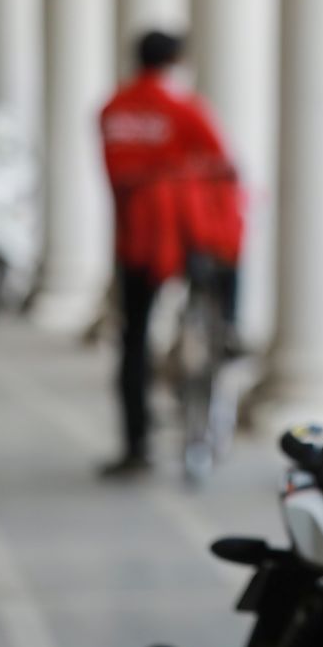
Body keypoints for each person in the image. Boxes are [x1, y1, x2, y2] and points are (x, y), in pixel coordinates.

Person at [98, 31, 242, 478]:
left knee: (134, 338)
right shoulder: (184, 109)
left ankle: (135, 444)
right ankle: (232, 326)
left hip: (136, 240)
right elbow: (225, 168)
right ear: (176, 61)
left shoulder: (112, 109)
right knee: (231, 247)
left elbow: (114, 175)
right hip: (186, 239)